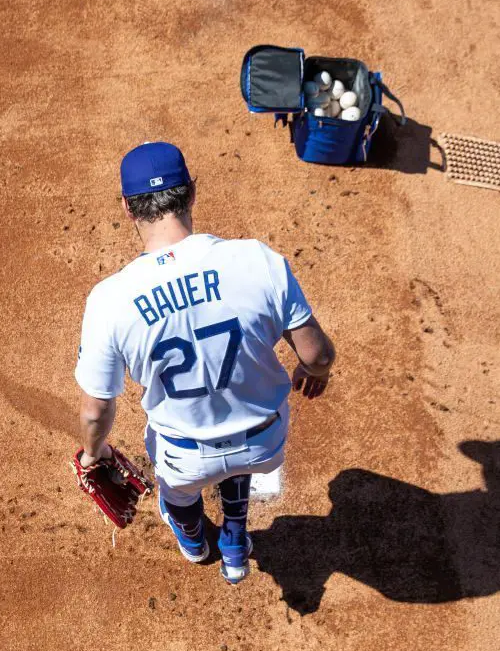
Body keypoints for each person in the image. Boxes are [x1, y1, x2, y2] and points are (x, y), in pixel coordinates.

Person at [74, 141, 334, 584]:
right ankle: (235, 539)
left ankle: (195, 541)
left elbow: (96, 409)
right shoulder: (256, 260)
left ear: (127, 208)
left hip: (186, 456)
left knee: (178, 494)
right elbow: (318, 354)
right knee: (240, 458)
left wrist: (93, 454)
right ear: (191, 193)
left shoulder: (109, 300)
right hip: (264, 443)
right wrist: (315, 372)